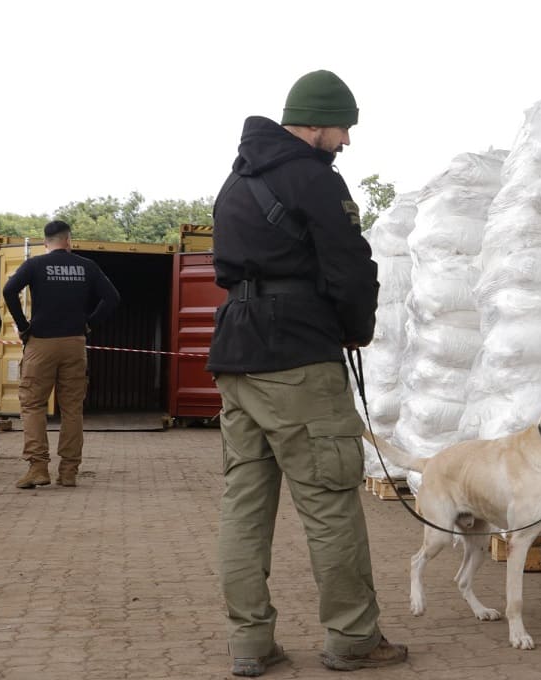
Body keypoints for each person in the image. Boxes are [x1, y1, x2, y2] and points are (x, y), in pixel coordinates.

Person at [209, 69, 403, 677]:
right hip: (296, 356)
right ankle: (352, 638)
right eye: (343, 127)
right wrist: (356, 326)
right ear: (316, 123)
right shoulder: (314, 178)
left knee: (245, 504)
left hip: (237, 354)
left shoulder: (235, 181)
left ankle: (250, 644)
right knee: (329, 501)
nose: (346, 140)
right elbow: (350, 265)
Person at [2, 220, 119, 489]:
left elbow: (9, 291)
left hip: (40, 342)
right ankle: (68, 472)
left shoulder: (34, 265)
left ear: (46, 242)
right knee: (72, 409)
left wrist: (23, 326)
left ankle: (38, 467)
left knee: (33, 405)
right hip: (75, 343)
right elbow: (112, 298)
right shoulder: (87, 266)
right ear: (69, 240)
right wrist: (89, 323)